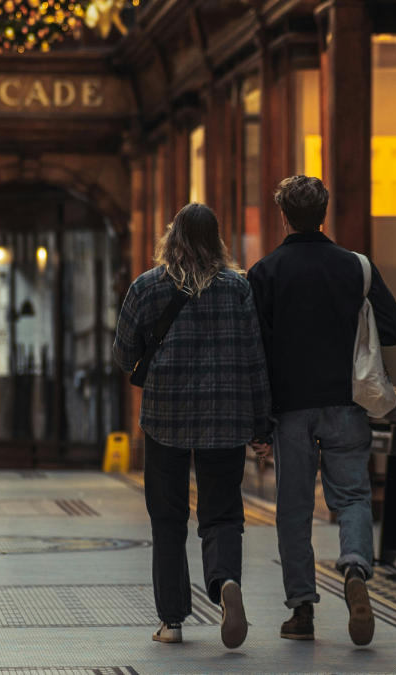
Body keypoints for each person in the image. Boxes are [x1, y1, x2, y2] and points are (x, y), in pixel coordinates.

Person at [247, 176, 396, 645]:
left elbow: (256, 352)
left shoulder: (265, 272)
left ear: (283, 216)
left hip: (289, 409)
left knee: (294, 509)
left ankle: (302, 612)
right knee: (353, 496)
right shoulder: (355, 267)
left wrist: (258, 423)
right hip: (347, 402)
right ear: (324, 214)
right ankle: (355, 567)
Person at [114, 202, 273, 649]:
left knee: (168, 519)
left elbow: (123, 354)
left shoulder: (147, 286)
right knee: (222, 513)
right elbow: (255, 359)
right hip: (226, 418)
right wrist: (262, 425)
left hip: (166, 418)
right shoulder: (238, 288)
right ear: (216, 240)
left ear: (173, 237)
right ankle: (225, 583)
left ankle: (172, 621)